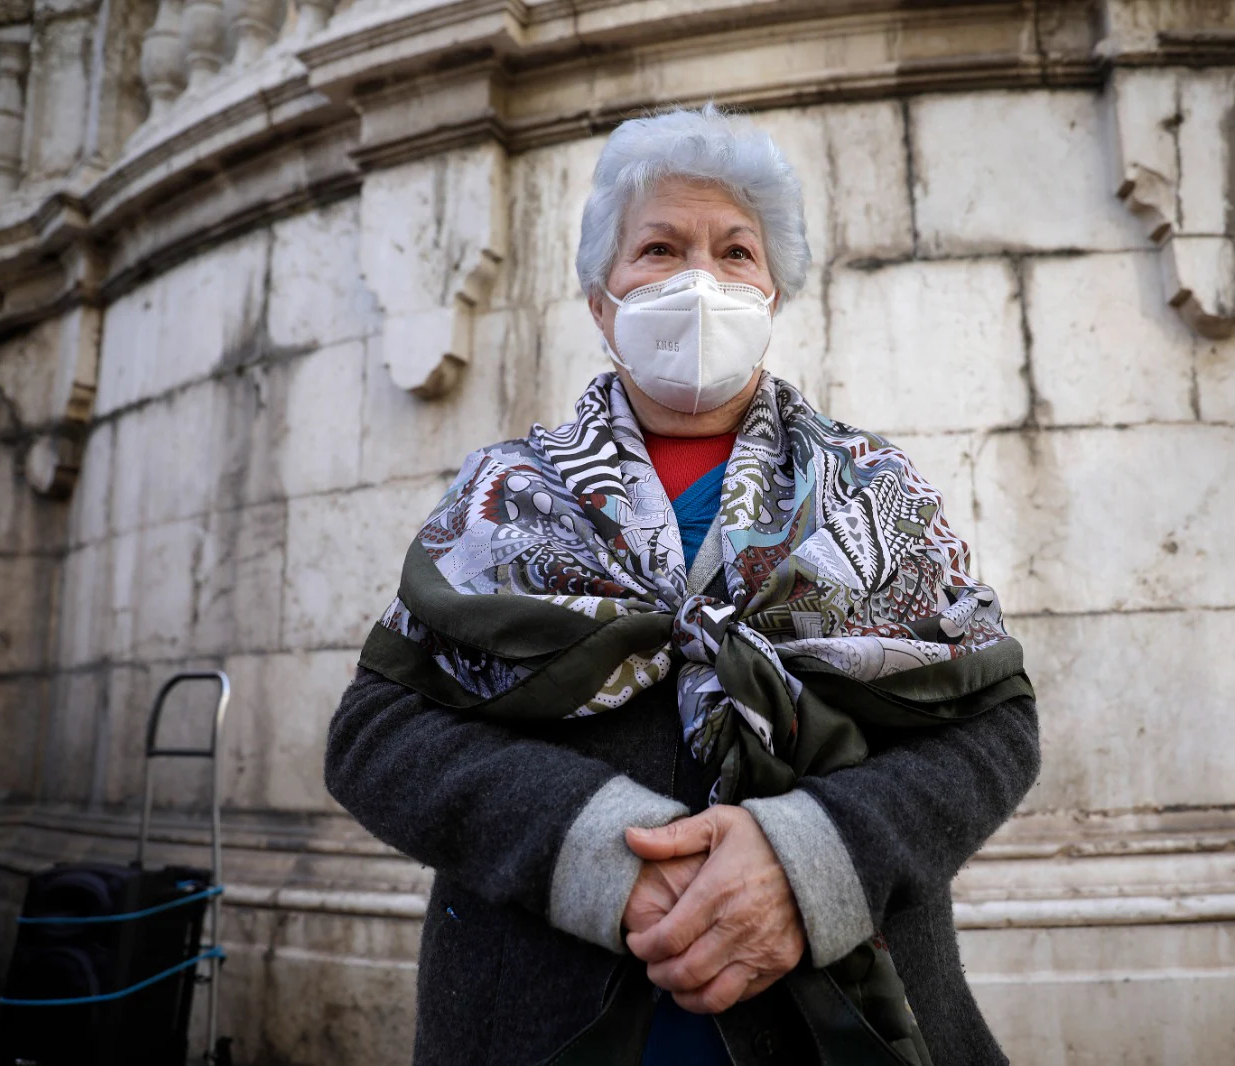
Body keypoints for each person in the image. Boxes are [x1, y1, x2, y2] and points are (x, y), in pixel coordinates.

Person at [324, 104, 1041, 1066]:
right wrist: (592, 850)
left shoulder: (875, 496)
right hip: (533, 1020)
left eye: (735, 252)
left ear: (772, 294)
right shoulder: (505, 497)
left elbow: (994, 727)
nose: (702, 280)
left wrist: (813, 862)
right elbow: (377, 736)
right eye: (660, 248)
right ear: (601, 301)